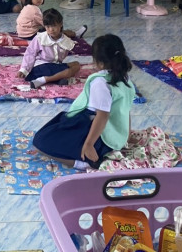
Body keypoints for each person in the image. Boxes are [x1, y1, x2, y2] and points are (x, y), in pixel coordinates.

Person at [32, 34, 135, 170]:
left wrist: (89, 144)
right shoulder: (125, 78)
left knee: (40, 141)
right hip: (113, 136)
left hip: (96, 133)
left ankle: (82, 163)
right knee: (57, 128)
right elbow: (125, 108)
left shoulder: (101, 82)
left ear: (99, 63)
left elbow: (102, 116)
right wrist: (126, 134)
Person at [17, 8, 82, 88]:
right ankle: (47, 79)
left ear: (61, 24)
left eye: (54, 26)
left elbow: (60, 60)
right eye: (47, 27)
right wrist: (24, 69)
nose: (51, 30)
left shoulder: (66, 41)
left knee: (76, 65)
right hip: (40, 68)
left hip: (54, 67)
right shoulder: (40, 38)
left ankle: (54, 79)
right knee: (68, 71)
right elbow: (30, 54)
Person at [16, 0, 87, 40]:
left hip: (22, 33)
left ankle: (70, 32)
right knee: (54, 30)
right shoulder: (34, 9)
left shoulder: (27, 7)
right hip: (30, 35)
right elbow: (45, 23)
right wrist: (58, 27)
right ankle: (75, 34)